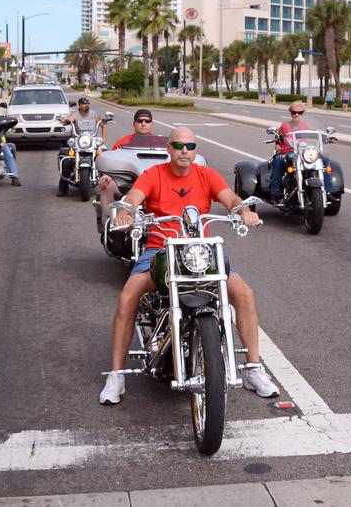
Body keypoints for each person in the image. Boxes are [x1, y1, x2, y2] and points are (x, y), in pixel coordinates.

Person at [100, 127, 279, 404]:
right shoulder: (154, 175)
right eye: (179, 145)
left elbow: (228, 197)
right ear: (169, 149)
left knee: (243, 293)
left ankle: (254, 368)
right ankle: (116, 375)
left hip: (199, 252)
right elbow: (135, 197)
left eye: (190, 146)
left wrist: (242, 210)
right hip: (160, 250)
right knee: (128, 296)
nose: (185, 150)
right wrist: (126, 211)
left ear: (195, 150)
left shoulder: (206, 174)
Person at [97, 109, 158, 207]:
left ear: (151, 124)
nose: (143, 123)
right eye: (140, 121)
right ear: (134, 124)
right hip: (125, 186)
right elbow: (111, 162)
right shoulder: (122, 143)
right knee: (105, 185)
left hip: (154, 186)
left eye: (147, 121)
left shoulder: (160, 144)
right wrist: (106, 175)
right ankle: (108, 219)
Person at [269, 102, 313, 199]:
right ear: (291, 113)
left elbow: (315, 137)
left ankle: (328, 191)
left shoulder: (306, 126)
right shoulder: (284, 126)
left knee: (324, 160)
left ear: (303, 113)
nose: (297, 114)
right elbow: (277, 143)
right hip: (288, 154)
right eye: (294, 112)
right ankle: (276, 191)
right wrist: (280, 151)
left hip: (303, 154)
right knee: (278, 160)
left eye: (300, 112)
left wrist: (326, 138)